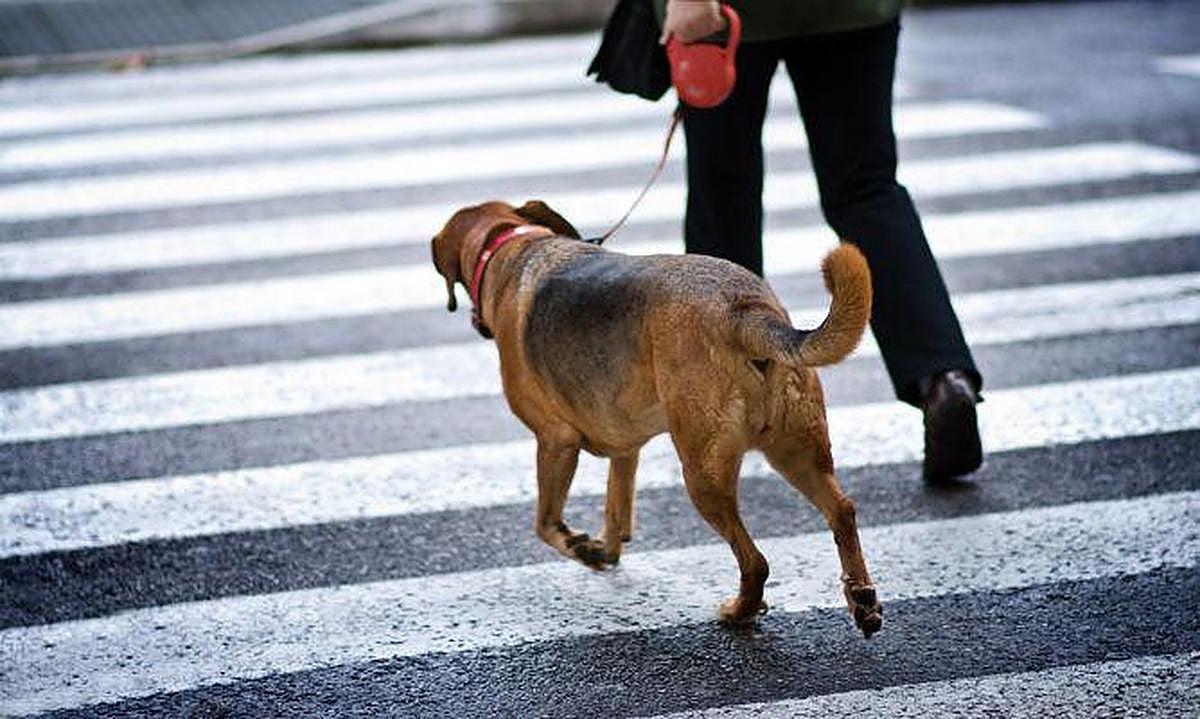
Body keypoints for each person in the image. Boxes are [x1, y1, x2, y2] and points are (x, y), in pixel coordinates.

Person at [656, 0, 983, 481]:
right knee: (866, 189)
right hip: (854, 12)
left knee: (723, 196)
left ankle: (726, 399)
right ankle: (941, 376)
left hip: (728, 16)